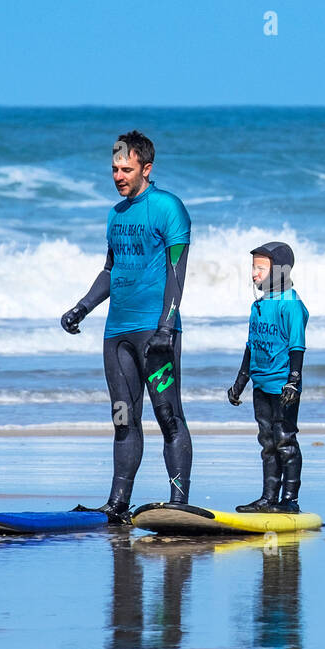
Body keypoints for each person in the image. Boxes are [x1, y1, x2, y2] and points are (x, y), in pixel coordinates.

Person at [62, 132, 192, 524]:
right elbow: (109, 271)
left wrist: (166, 326)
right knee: (122, 418)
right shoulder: (115, 214)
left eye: (127, 169)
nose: (118, 176)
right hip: (116, 334)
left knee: (168, 416)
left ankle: (179, 502)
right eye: (115, 169)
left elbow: (176, 272)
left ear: (146, 169)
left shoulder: (169, 208)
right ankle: (117, 503)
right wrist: (82, 307)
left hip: (156, 334)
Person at [227, 242, 309, 513]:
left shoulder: (291, 305)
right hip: (261, 385)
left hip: (283, 387)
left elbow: (297, 346)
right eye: (253, 267)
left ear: (279, 271)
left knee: (285, 440)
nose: (254, 274)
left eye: (261, 268)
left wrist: (293, 381)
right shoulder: (258, 306)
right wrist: (240, 382)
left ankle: (290, 501)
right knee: (267, 442)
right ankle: (268, 498)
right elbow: (251, 346)